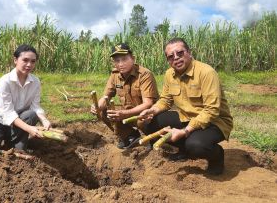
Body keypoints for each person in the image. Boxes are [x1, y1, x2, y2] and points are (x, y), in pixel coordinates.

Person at [140, 38, 233, 175]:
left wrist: (185, 131)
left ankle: (217, 157)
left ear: (189, 52)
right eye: (171, 57)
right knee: (150, 122)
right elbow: (165, 100)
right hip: (186, 117)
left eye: (180, 53)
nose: (176, 58)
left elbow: (211, 110)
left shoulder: (206, 72)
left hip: (215, 122)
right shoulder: (169, 75)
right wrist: (152, 110)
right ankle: (184, 151)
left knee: (195, 145)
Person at [91, 43, 159, 149]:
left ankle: (152, 138)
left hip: (146, 115)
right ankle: (130, 136)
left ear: (133, 58)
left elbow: (148, 103)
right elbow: (106, 96)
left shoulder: (145, 75)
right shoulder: (115, 75)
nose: (120, 64)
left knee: (143, 119)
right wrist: (98, 106)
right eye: (117, 61)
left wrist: (124, 114)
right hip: (127, 114)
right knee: (104, 111)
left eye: (124, 59)